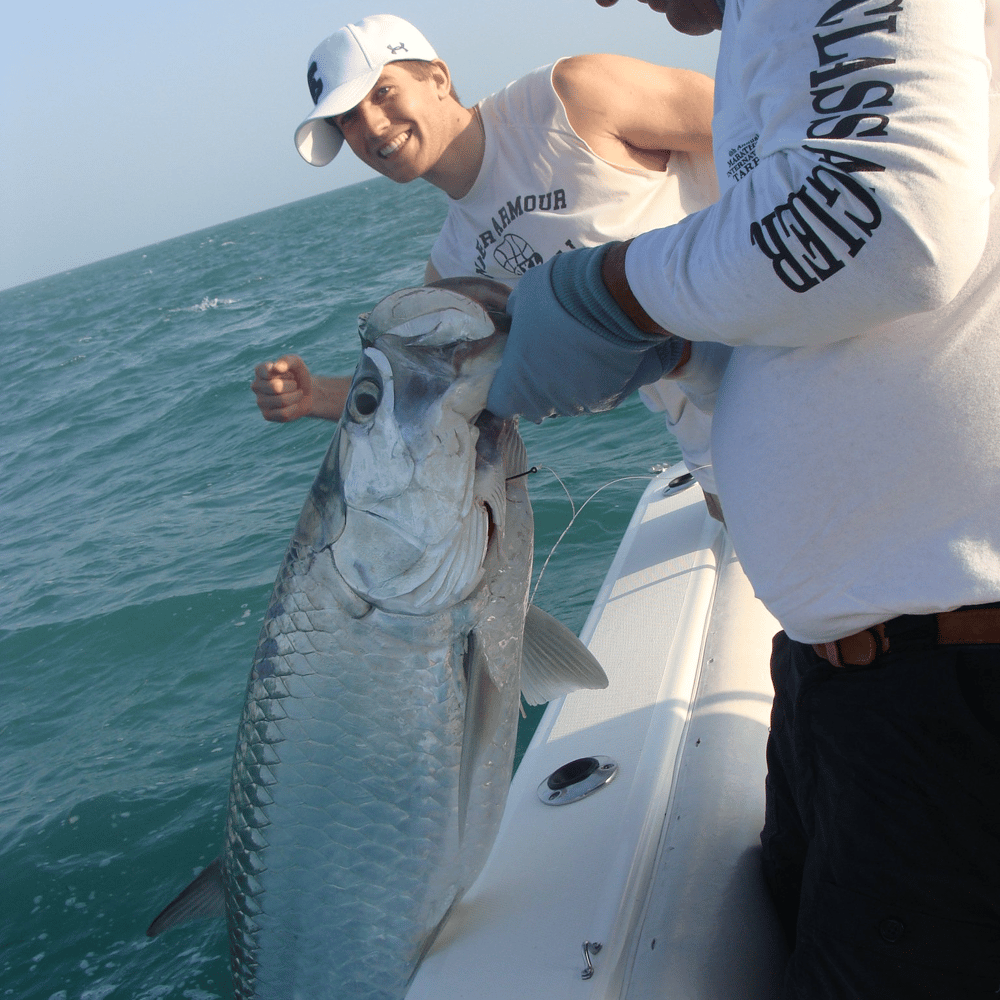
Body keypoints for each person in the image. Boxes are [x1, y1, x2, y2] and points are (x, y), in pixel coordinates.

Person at [487, 0, 1000, 997]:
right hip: (861, 685)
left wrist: (613, 289)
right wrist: (709, 340)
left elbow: (887, 223)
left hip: (950, 691)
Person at [253, 13, 726, 502]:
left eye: (382, 93)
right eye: (346, 118)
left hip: (775, 328)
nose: (371, 125)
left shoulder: (570, 99)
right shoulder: (452, 272)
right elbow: (430, 389)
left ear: (437, 78)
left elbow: (756, 125)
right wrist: (314, 396)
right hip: (702, 424)